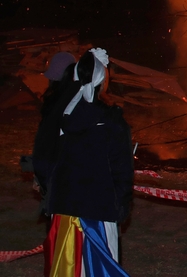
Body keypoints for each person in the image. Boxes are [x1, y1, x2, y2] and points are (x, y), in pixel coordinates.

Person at [45, 48, 134, 277]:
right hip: (98, 212)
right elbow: (121, 170)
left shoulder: (65, 116)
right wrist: (122, 206)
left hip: (65, 209)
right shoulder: (111, 122)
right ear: (103, 80)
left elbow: (53, 161)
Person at [33, 51, 77, 213]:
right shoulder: (79, 98)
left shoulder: (55, 104)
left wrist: (40, 173)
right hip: (70, 174)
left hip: (56, 172)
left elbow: (46, 143)